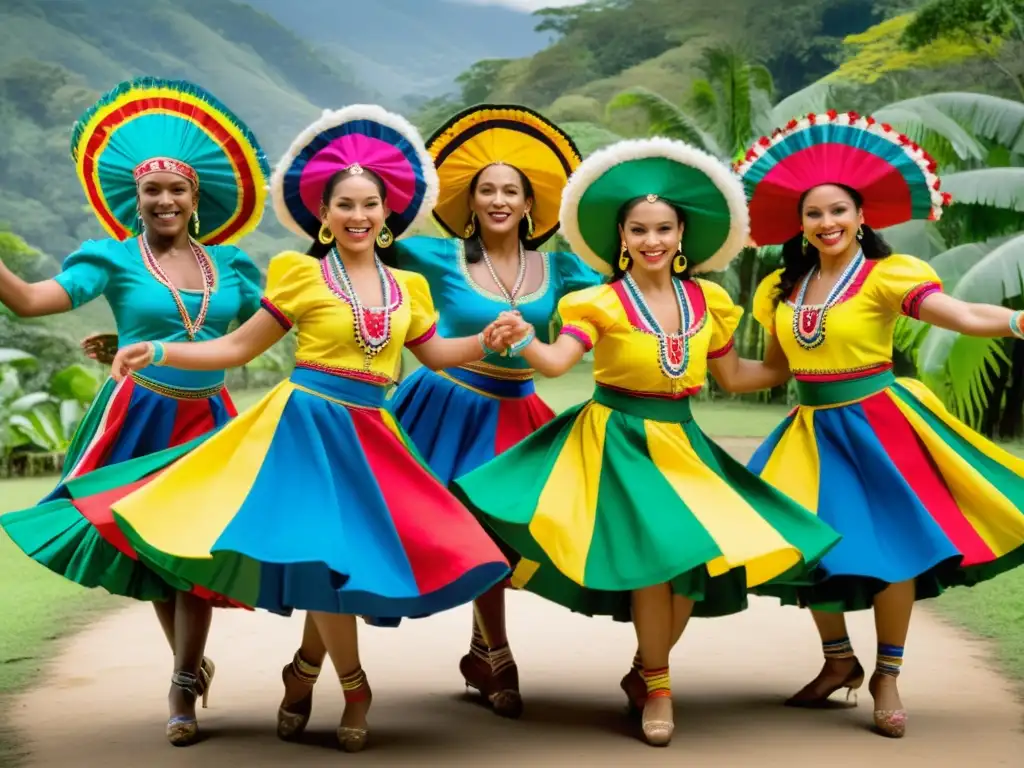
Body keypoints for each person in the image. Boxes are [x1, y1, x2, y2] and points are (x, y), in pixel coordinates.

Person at [101, 105, 517, 752]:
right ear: (323, 215)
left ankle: (302, 671)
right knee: (328, 557)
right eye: (343, 205)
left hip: (375, 436)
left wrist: (485, 340)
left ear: (386, 214)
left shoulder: (409, 286)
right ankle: (355, 688)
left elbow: (435, 355)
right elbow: (236, 348)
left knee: (359, 562)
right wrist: (160, 351)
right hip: (306, 431)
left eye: (369, 204)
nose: (357, 216)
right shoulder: (299, 275)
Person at [451, 137, 841, 746]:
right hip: (616, 445)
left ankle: (643, 672)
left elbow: (736, 377)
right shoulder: (599, 301)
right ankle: (659, 685)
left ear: (682, 235)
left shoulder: (708, 301)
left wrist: (808, 354)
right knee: (658, 566)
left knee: (691, 565)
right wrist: (523, 335)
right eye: (639, 230)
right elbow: (555, 364)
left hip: (684, 445)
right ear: (622, 238)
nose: (652, 240)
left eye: (663, 228)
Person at [281, 104, 605, 721]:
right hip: (443, 409)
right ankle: (312, 663)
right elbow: (355, 263)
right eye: (487, 189)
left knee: (502, 541)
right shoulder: (430, 259)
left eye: (512, 190)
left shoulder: (563, 269)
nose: (499, 199)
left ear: (532, 203)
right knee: (372, 537)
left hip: (517, 413)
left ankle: (489, 651)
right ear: (468, 199)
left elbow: (620, 292)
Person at [733, 110, 1024, 738]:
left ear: (862, 216)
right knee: (811, 546)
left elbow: (963, 313)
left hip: (878, 425)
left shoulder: (887, 276)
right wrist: (711, 360)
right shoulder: (783, 289)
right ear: (800, 223)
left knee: (895, 552)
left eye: (839, 210)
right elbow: (777, 369)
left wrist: (1017, 321)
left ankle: (887, 674)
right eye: (814, 213)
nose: (827, 222)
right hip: (809, 431)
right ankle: (838, 661)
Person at [0, 76, 270, 746]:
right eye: (153, 190)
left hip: (207, 420)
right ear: (136, 198)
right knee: (152, 550)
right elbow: (33, 302)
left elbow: (270, 323)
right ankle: (185, 671)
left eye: (177, 188)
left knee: (199, 549)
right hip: (137, 421)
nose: (165, 199)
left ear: (195, 195)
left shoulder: (232, 266)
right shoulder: (112, 259)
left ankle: (181, 681)